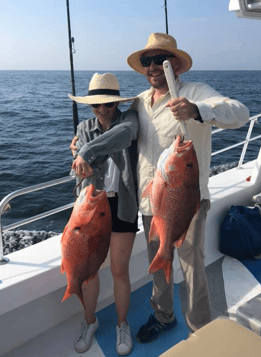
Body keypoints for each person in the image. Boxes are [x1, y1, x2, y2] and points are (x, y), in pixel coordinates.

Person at [125, 33, 250, 343]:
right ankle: (163, 315)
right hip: (151, 203)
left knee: (192, 268)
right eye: (147, 60)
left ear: (175, 64)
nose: (153, 66)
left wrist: (197, 110)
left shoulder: (196, 92)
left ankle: (201, 330)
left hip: (187, 202)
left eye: (161, 60)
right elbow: (119, 134)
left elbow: (240, 113)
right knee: (158, 265)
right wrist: (83, 144)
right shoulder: (139, 102)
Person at [68, 72, 139, 355]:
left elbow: (124, 136)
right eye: (95, 105)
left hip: (122, 204)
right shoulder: (84, 127)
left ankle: (123, 324)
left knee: (120, 271)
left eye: (107, 104)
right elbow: (86, 166)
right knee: (88, 273)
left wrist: (84, 149)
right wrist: (80, 154)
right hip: (91, 207)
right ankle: (90, 321)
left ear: (116, 103)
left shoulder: (129, 120)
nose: (101, 109)